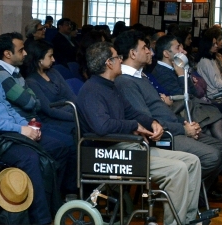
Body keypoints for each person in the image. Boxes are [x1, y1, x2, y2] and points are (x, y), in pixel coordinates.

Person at [77, 41, 202, 225]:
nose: (121, 60)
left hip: (127, 146)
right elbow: (102, 127)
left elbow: (132, 113)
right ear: (108, 63)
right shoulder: (91, 91)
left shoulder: (112, 86)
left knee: (192, 162)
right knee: (178, 170)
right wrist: (133, 125)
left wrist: (152, 122)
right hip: (109, 152)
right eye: (117, 57)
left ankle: (188, 220)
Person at [0, 29, 66, 225]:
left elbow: (6, 108)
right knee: (30, 157)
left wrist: (26, 126)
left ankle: (51, 207)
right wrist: (21, 130)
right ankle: (42, 220)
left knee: (58, 147)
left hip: (5, 134)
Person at [114, 31, 222, 196]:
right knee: (212, 156)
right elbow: (148, 121)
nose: (150, 51)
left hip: (174, 127)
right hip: (164, 136)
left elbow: (162, 111)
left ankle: (195, 195)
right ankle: (182, 195)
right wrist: (184, 129)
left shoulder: (141, 76)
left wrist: (185, 124)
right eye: (145, 47)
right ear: (133, 53)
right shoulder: (126, 82)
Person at [0, 32, 77, 196]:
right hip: (22, 126)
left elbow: (34, 101)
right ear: (8, 54)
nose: (25, 53)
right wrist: (33, 101)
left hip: (31, 121)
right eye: (21, 50)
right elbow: (30, 101)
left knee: (69, 139)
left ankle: (60, 193)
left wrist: (33, 100)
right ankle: (57, 195)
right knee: (64, 145)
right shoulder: (2, 75)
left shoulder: (15, 72)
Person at [24, 39, 77, 136]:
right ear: (39, 59)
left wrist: (81, 111)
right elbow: (49, 110)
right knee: (80, 127)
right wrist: (76, 117)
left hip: (71, 111)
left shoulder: (54, 72)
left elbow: (71, 95)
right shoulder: (31, 82)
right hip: (54, 119)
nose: (53, 59)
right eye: (50, 56)